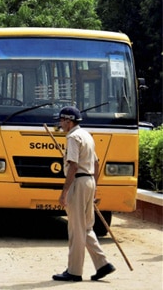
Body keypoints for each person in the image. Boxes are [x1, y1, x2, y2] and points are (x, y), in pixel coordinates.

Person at [52, 107, 115, 282]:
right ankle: (102, 264)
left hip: (78, 183)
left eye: (62, 120)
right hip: (88, 182)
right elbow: (96, 162)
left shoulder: (72, 137)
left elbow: (72, 166)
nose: (61, 124)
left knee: (76, 229)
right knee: (86, 227)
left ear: (69, 121)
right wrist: (94, 187)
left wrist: (64, 192)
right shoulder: (87, 135)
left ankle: (74, 271)